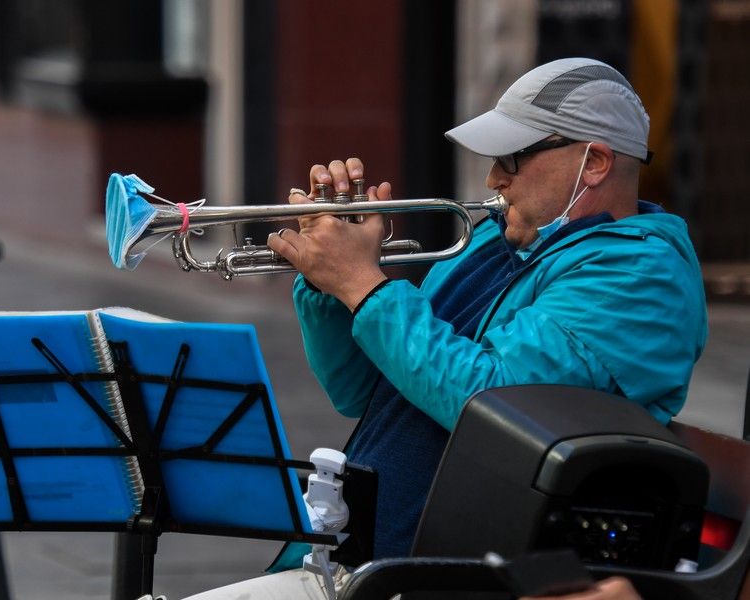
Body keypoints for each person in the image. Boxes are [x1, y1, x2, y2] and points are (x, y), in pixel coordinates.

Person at [185, 57, 707, 599]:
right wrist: (329, 288)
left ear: (594, 162)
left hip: (456, 576)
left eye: (514, 157)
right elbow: (360, 390)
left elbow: (494, 403)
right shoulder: (493, 239)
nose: (493, 178)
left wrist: (364, 285)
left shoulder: (641, 276)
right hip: (364, 556)